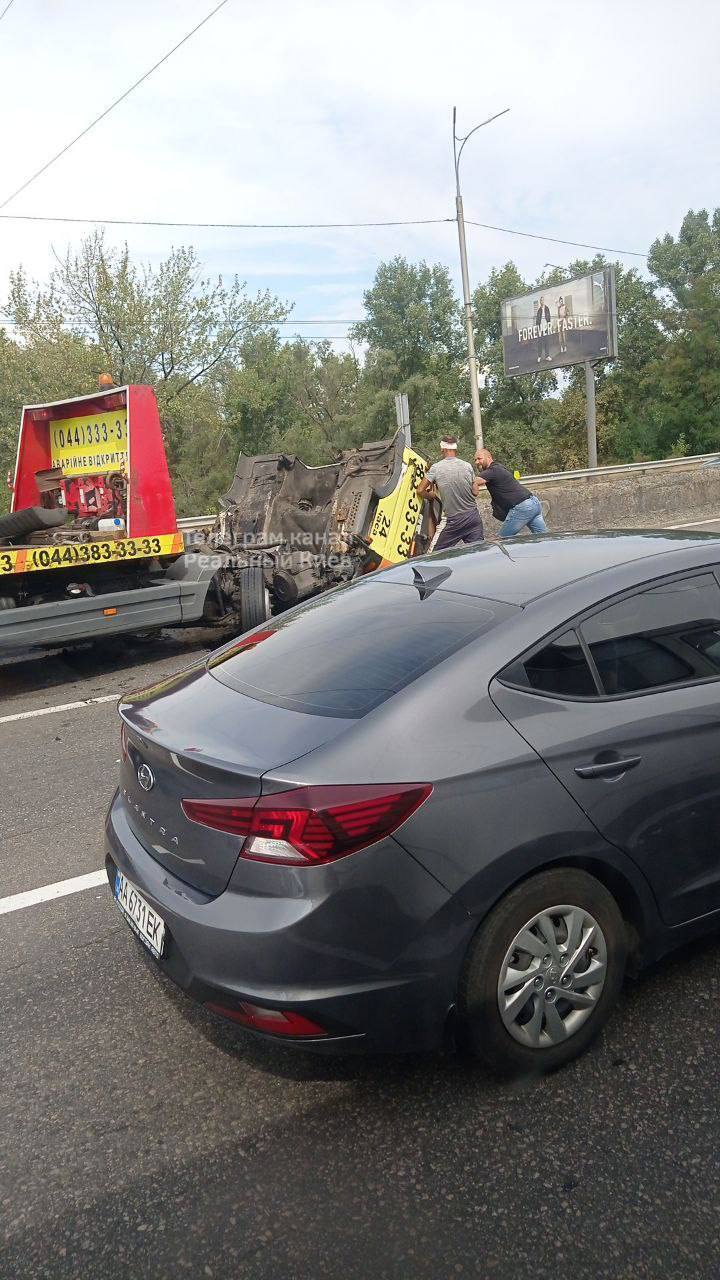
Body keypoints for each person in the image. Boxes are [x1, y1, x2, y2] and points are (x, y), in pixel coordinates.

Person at [416, 436, 484, 550]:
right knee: (478, 552)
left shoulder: (436, 468)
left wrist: (431, 495)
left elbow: (420, 490)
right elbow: (475, 492)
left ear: (442, 449)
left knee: (432, 555)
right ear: (455, 449)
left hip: (453, 522)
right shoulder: (467, 466)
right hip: (473, 517)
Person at [474, 448, 547, 537]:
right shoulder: (499, 467)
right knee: (543, 538)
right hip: (533, 503)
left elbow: (474, 482)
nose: (477, 462)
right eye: (475, 460)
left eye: (479, 458)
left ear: (489, 458)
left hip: (523, 507)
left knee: (501, 540)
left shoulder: (492, 470)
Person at [535, 296, 551, 362]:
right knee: (540, 342)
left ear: (544, 301)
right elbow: (537, 320)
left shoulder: (547, 308)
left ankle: (547, 356)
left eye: (543, 300)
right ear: (540, 302)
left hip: (546, 327)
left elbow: (549, 318)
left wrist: (549, 326)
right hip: (540, 328)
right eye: (541, 300)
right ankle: (539, 356)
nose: (542, 302)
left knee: (546, 342)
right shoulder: (539, 310)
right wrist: (538, 328)